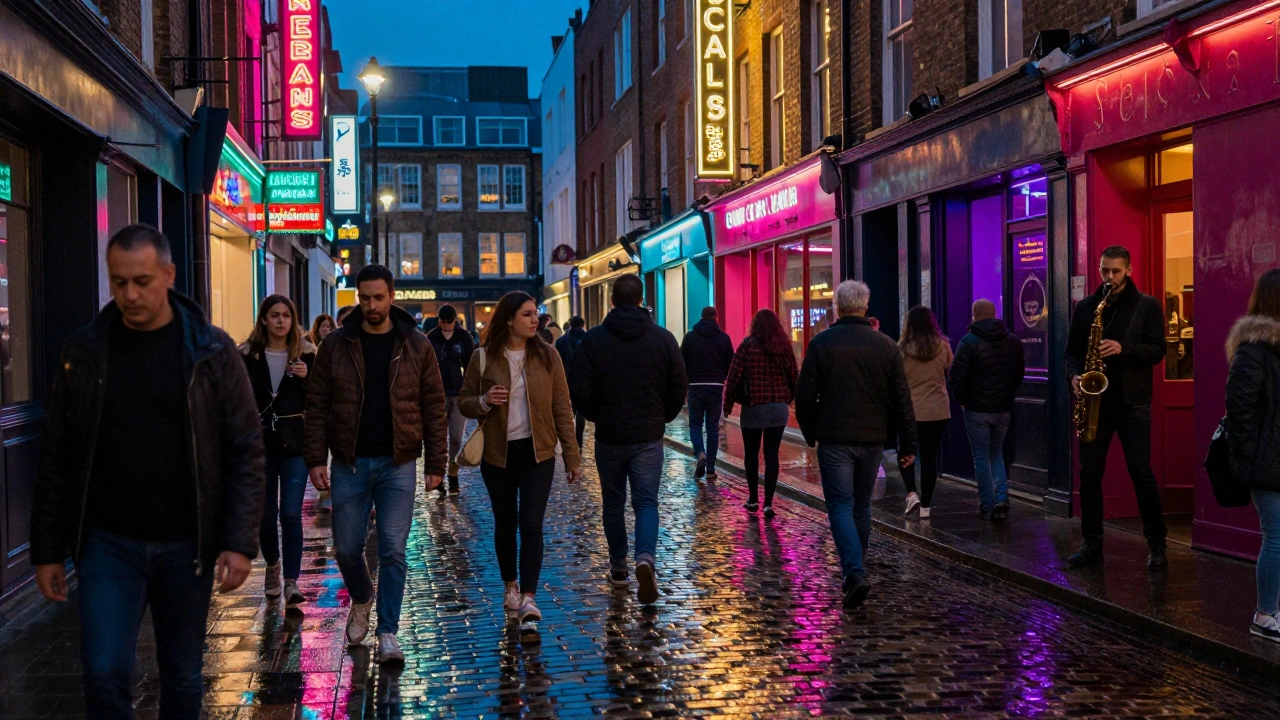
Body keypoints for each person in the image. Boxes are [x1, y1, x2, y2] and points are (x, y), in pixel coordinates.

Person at [31, 224, 264, 719]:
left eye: (141, 281)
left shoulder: (211, 351)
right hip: (108, 541)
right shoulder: (86, 352)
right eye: (119, 283)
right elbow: (58, 453)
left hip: (187, 543)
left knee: (181, 674)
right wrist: (47, 549)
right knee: (103, 670)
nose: (130, 295)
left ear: (168, 275)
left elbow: (245, 449)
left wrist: (239, 541)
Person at [304, 264, 448, 666]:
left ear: (392, 296)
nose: (370, 305)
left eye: (378, 298)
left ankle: (388, 632)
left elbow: (434, 407)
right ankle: (362, 596)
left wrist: (437, 462)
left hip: (397, 462)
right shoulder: (335, 344)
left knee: (393, 550)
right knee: (348, 549)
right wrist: (316, 457)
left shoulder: (416, 345)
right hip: (349, 462)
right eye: (363, 298)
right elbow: (316, 405)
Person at [458, 292, 582, 625]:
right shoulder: (483, 357)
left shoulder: (548, 356)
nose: (534, 320)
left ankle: (529, 596)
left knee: (531, 522)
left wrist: (571, 455)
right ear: (509, 319)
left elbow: (562, 408)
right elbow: (464, 402)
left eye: (536, 314)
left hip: (538, 451)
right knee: (505, 521)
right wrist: (484, 400)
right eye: (527, 314)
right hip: (497, 453)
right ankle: (509, 586)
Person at [795, 280, 916, 609]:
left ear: (837, 307)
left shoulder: (822, 344)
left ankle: (854, 571)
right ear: (865, 307)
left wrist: (810, 432)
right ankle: (854, 570)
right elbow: (902, 400)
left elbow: (804, 395)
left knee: (839, 506)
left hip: (835, 439)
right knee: (861, 507)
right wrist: (908, 445)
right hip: (872, 438)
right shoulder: (887, 346)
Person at [570, 274, 687, 606]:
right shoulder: (663, 339)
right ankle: (645, 558)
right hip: (648, 435)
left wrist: (596, 415)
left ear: (611, 299)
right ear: (641, 299)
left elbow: (580, 389)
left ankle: (619, 568)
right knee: (646, 502)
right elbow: (679, 384)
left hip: (609, 435)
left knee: (613, 504)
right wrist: (662, 415)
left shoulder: (594, 340)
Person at [1064, 245, 1168, 570]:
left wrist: (1124, 349)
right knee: (1090, 475)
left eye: (1116, 271)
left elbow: (1157, 351)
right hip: (1095, 402)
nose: (1109, 277)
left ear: (1129, 270)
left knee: (1141, 472)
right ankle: (1092, 543)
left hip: (1132, 402)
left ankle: (1157, 543)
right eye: (1104, 270)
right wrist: (1073, 377)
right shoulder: (1086, 308)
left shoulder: (1147, 306)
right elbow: (1070, 353)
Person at [242, 295, 314, 608]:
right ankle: (273, 566)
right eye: (275, 315)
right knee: (266, 513)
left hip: (294, 443)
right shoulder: (247, 355)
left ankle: (291, 582)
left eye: (286, 315)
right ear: (264, 319)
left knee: (290, 514)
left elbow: (320, 398)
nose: (281, 321)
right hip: (260, 445)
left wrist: (306, 378)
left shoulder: (306, 353)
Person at [1224, 269, 1280, 642]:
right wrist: (1248, 460)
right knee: (1275, 537)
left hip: (1270, 456)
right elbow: (1239, 409)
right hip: (1266, 462)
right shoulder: (1254, 350)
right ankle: (1264, 614)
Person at [950, 298, 1025, 522]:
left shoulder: (968, 341)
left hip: (976, 408)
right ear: (995, 314)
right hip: (1002, 408)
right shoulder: (1012, 340)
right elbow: (1018, 373)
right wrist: (1007, 395)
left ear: (974, 315)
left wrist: (963, 400)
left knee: (981, 456)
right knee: (996, 453)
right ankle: (1001, 498)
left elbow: (956, 376)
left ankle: (986, 504)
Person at [723, 309, 798, 517]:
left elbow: (734, 376)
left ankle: (753, 498)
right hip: (777, 408)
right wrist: (790, 400)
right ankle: (769, 503)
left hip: (754, 406)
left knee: (751, 453)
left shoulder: (747, 346)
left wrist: (727, 406)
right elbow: (794, 376)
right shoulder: (784, 347)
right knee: (772, 454)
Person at [898, 306, 952, 520]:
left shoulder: (901, 348)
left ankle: (911, 493)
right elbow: (951, 369)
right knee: (930, 457)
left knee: (906, 453)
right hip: (937, 410)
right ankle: (926, 507)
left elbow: (896, 379)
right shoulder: (943, 346)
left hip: (910, 411)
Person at [426, 304, 476, 495]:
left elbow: (470, 364)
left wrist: (470, 389)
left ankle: (453, 476)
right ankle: (438, 477)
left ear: (455, 320)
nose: (446, 326)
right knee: (438, 437)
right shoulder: (432, 337)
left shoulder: (464, 337)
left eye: (449, 322)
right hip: (437, 393)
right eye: (443, 322)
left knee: (456, 437)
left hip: (458, 392)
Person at [681, 307, 735, 481]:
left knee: (695, 425)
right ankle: (711, 468)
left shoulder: (690, 338)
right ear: (716, 318)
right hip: (715, 386)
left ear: (701, 318)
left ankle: (700, 454)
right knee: (712, 428)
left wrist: (685, 384)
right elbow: (730, 364)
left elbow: (682, 363)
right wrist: (723, 379)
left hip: (695, 386)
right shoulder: (724, 338)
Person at [555, 316, 589, 448]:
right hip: (583, 380)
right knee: (580, 412)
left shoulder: (561, 341)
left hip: (566, 380)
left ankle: (568, 442)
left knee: (569, 412)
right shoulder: (588, 339)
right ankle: (578, 442)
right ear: (582, 325)